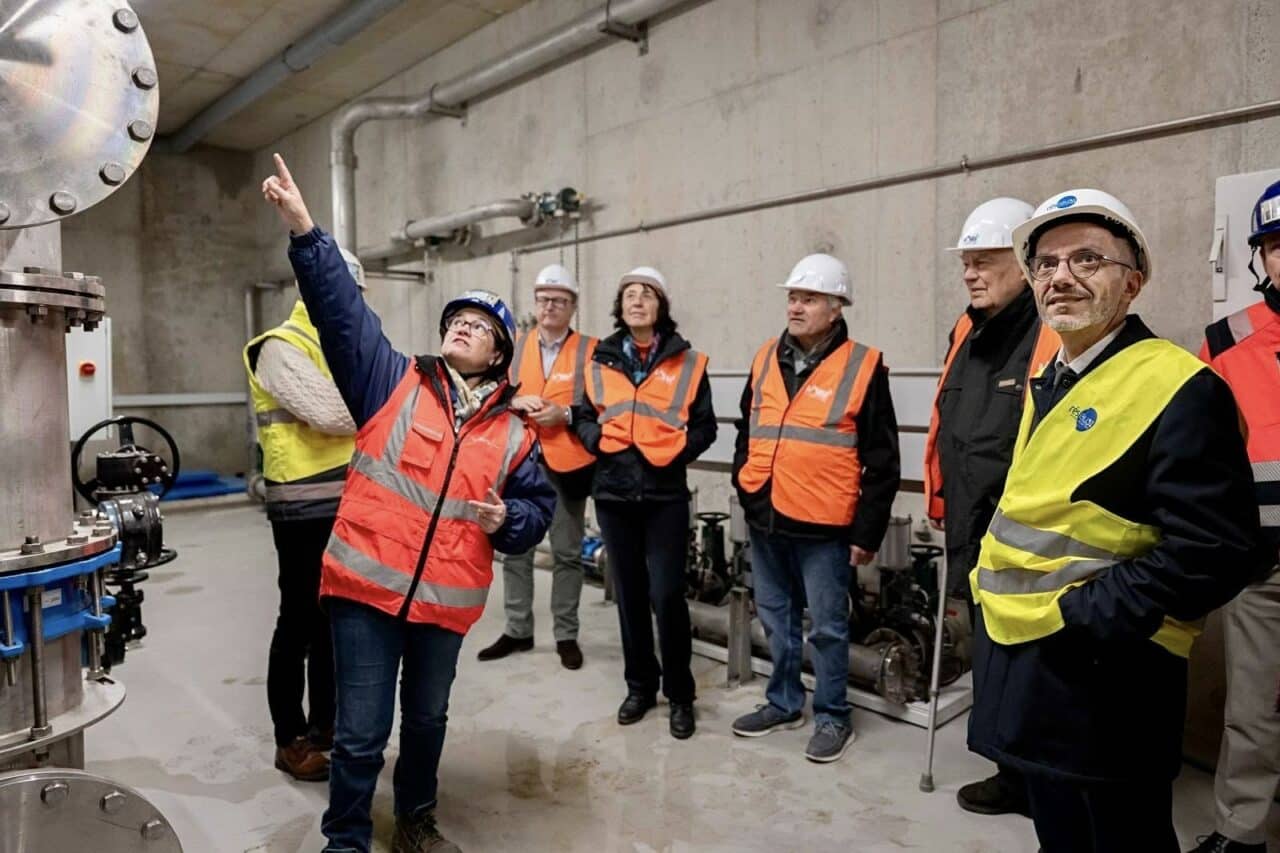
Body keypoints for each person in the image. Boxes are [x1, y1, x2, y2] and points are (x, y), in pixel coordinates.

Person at [262, 153, 554, 853]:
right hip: (366, 593)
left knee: (426, 721)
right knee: (361, 732)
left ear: (500, 356)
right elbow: (343, 314)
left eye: (481, 327)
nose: (464, 328)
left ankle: (415, 823)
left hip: (444, 605)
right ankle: (347, 839)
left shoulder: (516, 431)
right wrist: (307, 233)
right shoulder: (390, 382)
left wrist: (508, 519)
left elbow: (536, 512)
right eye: (458, 319)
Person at [966, 188, 1269, 853]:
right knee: (1063, 836)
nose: (1060, 276)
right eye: (1045, 262)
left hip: (1111, 681)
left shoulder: (1180, 385)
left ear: (1132, 282)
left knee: (1121, 839)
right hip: (1039, 668)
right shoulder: (1052, 375)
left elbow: (1217, 549)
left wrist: (1089, 612)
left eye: (1087, 259)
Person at [729, 253, 900, 764]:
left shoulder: (863, 366)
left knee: (827, 627)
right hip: (766, 515)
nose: (795, 307)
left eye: (807, 299)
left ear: (835, 307)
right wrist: (747, 486)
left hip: (826, 524)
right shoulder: (765, 358)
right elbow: (747, 430)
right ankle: (782, 702)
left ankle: (832, 715)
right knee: (776, 618)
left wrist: (865, 534)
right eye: (792, 297)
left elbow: (883, 459)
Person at [922, 198, 1058, 813]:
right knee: (993, 660)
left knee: (1036, 666)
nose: (972, 273)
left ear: (1024, 262)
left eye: (986, 260)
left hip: (1031, 539)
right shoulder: (966, 331)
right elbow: (947, 422)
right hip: (972, 529)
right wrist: (940, 496)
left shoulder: (1050, 334)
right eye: (966, 263)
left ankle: (1042, 780)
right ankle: (1012, 772)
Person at [571, 266, 716, 740]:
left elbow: (705, 426)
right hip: (613, 493)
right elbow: (581, 414)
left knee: (667, 595)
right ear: (621, 306)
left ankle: (680, 695)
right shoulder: (600, 358)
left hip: (663, 495)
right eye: (629, 294)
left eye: (646, 295)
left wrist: (679, 450)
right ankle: (639, 686)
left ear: (661, 306)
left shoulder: (688, 362)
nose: (636, 301)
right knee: (629, 596)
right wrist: (597, 442)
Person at [243, 260, 365, 782]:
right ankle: (289, 738)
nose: (350, 300)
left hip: (350, 502)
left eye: (355, 291)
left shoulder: (342, 342)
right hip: (302, 508)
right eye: (342, 289)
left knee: (336, 623)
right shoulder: (280, 347)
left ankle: (326, 727)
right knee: (298, 621)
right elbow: (339, 414)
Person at [1189, 178, 1280, 853]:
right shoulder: (1225, 341)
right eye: (1277, 245)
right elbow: (1202, 457)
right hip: (1263, 563)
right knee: (1253, 709)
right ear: (1260, 258)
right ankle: (1244, 835)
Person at [478, 264, 596, 671]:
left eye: (559, 301)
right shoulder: (515, 347)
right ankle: (518, 629)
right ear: (535, 302)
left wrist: (564, 413)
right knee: (516, 550)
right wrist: (514, 404)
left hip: (569, 463)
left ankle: (566, 633)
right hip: (521, 461)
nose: (550, 307)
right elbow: (493, 395)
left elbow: (601, 406)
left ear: (573, 306)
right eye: (544, 299)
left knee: (566, 553)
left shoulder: (591, 350)